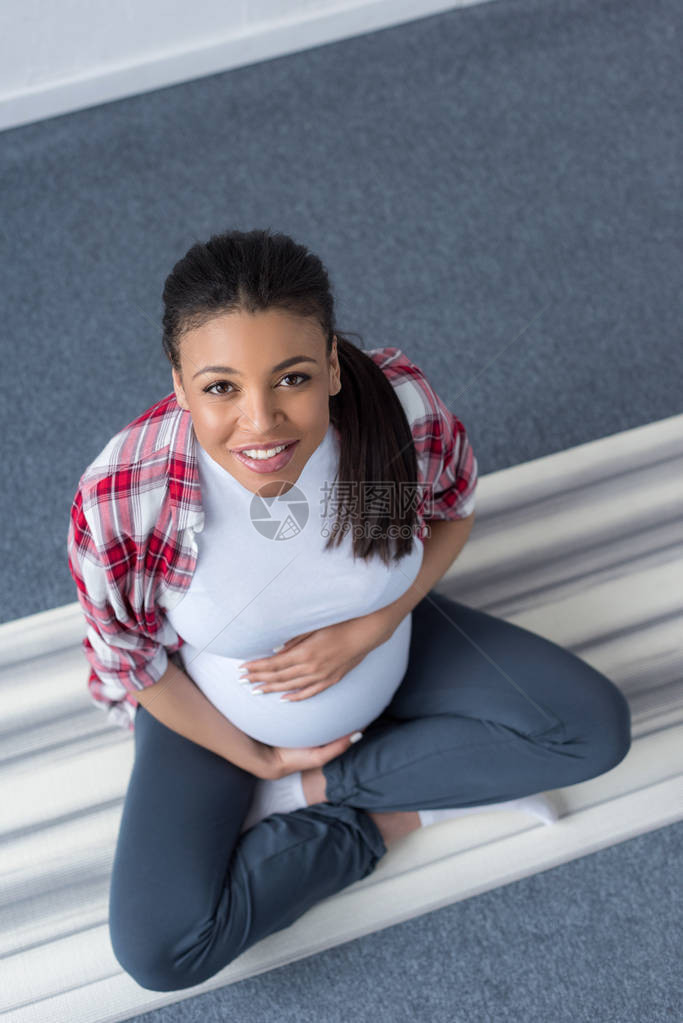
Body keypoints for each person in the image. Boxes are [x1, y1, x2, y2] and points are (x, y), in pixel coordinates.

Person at [67, 228, 631, 992]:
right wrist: (258, 759)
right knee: (161, 948)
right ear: (179, 384)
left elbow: (451, 509)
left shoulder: (391, 411)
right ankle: (397, 808)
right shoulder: (128, 497)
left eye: (291, 378)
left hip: (397, 647)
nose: (261, 423)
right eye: (221, 387)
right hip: (217, 720)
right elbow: (129, 660)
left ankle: (320, 795)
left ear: (332, 364)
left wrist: (372, 626)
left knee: (593, 730)